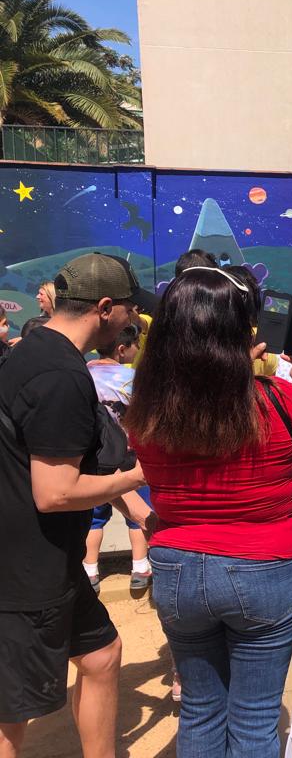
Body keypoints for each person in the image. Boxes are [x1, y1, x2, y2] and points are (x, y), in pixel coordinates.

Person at [124, 265, 292, 758]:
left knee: (199, 709)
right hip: (267, 568)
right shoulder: (274, 400)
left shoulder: (148, 409)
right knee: (255, 720)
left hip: (177, 568)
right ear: (243, 330)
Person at [0, 253, 153, 758]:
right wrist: (136, 476)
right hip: (27, 570)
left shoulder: (37, 346)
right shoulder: (61, 376)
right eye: (129, 311)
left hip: (52, 562)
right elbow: (56, 491)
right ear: (104, 309)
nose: (132, 321)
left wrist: (138, 508)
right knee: (11, 710)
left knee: (103, 656)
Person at [83, 323, 153, 594]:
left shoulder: (84, 373)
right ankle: (140, 566)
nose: (138, 349)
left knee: (94, 516)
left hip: (96, 458)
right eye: (136, 345)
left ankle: (90, 569)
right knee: (137, 515)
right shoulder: (133, 379)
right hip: (130, 456)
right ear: (122, 349)